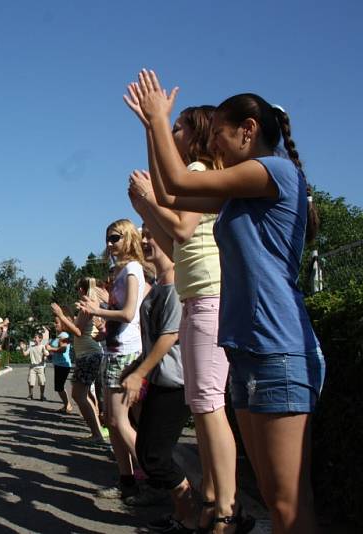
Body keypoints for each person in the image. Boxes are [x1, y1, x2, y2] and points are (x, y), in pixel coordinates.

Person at [133, 69, 322, 534]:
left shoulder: (274, 172)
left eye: (219, 133)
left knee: (288, 505)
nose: (213, 144)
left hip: (278, 346)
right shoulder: (239, 195)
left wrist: (160, 119)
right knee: (277, 502)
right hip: (249, 347)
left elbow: (177, 180)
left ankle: (218, 513)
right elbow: (171, 192)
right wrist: (151, 129)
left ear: (248, 130)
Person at [124, 88, 238, 534]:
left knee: (209, 404)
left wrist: (151, 199)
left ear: (196, 136)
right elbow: (172, 238)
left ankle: (223, 508)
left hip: (209, 296)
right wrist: (148, 206)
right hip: (200, 296)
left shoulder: (199, 167)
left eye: (178, 127)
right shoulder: (197, 171)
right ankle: (214, 499)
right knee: (205, 403)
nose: (172, 133)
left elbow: (180, 224)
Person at [122, 226, 197, 531]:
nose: (143, 241)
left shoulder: (176, 285)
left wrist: (138, 373)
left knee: (154, 455)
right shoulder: (160, 286)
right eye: (142, 236)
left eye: (150, 234)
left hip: (175, 382)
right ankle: (183, 514)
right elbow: (154, 341)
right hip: (159, 379)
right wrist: (137, 369)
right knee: (147, 451)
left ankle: (190, 511)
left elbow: (169, 336)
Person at [78, 219, 146, 500]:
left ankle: (161, 479)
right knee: (114, 422)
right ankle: (127, 481)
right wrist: (102, 321)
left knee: (119, 421)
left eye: (115, 238)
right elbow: (120, 316)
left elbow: (130, 313)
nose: (109, 243)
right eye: (107, 238)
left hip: (127, 353)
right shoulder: (119, 272)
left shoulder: (132, 269)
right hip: (113, 350)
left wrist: (99, 310)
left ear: (129, 238)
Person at [52, 280, 108, 445]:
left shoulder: (87, 308)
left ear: (82, 290)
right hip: (88, 354)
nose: (77, 292)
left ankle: (97, 432)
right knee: (83, 394)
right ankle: (97, 430)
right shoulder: (87, 307)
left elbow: (77, 331)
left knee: (79, 394)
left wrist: (61, 316)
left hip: (89, 355)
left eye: (78, 289)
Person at [46, 330, 73, 413]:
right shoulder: (58, 336)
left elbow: (63, 349)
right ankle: (66, 405)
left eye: (57, 322)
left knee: (59, 387)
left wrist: (50, 348)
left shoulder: (64, 335)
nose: (55, 324)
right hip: (58, 364)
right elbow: (57, 350)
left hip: (63, 364)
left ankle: (67, 405)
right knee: (59, 387)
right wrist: (50, 355)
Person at [20, 329, 50, 401]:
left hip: (41, 367)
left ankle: (42, 396)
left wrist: (44, 352)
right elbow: (25, 354)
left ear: (40, 339)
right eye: (34, 337)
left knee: (42, 382)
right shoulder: (31, 347)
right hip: (32, 367)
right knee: (30, 382)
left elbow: (47, 354)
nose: (34, 339)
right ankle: (30, 395)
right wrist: (22, 349)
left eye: (35, 337)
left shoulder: (42, 346)